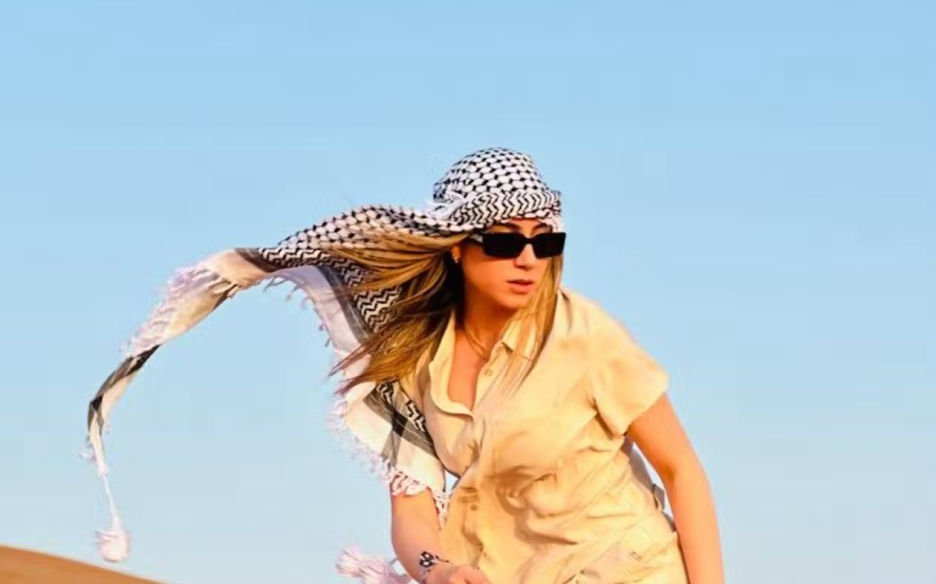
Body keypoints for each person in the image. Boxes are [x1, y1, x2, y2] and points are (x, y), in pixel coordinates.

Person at [85, 148, 723, 584]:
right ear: (456, 248)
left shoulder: (584, 336)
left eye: (544, 240)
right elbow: (413, 510)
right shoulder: (412, 358)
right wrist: (437, 569)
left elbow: (680, 469)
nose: (528, 258)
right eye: (504, 241)